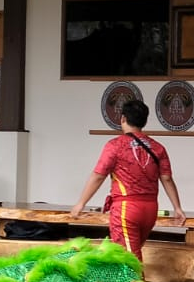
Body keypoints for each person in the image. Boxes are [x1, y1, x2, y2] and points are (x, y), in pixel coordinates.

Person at [71, 100, 185, 256]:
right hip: (151, 209)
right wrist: (177, 208)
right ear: (144, 120)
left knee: (128, 262)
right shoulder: (157, 147)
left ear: (123, 118)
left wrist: (81, 203)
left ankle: (136, 281)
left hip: (127, 209)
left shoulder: (115, 145)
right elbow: (167, 179)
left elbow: (98, 176)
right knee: (131, 255)